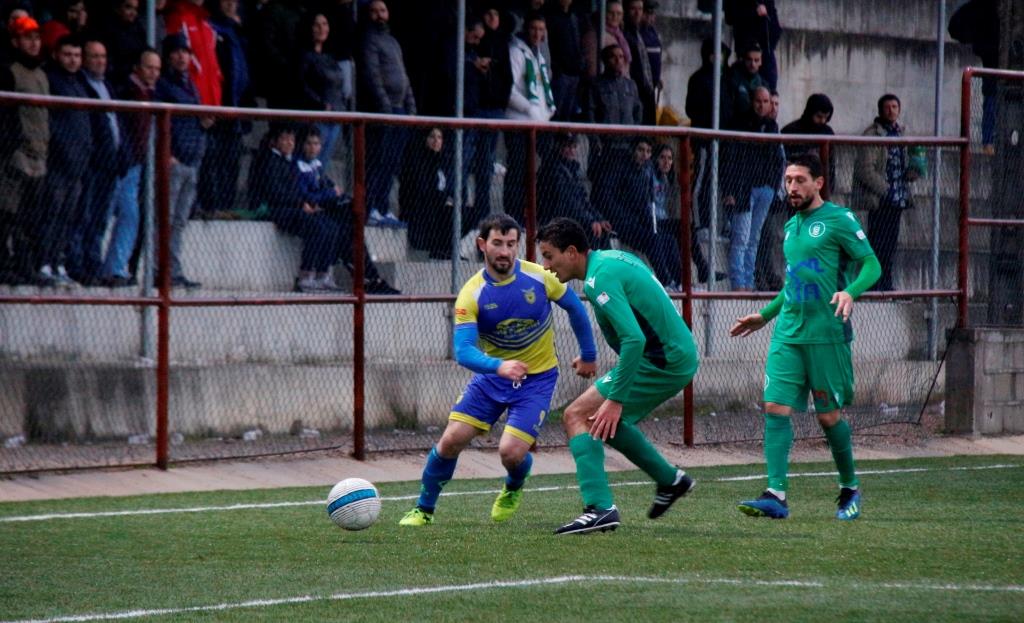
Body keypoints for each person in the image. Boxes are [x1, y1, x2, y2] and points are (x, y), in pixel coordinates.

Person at [399, 214, 598, 526]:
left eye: (511, 244)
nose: (505, 251)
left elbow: (575, 308)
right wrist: (499, 366)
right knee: (451, 440)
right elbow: (463, 351)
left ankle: (514, 483)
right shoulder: (472, 293)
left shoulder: (539, 277)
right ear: (482, 245)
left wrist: (588, 354)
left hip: (538, 380)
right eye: (497, 243)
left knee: (510, 453)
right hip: (492, 379)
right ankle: (423, 510)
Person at [729, 153, 881, 521]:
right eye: (788, 180)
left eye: (799, 180)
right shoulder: (791, 226)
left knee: (829, 417)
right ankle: (776, 495)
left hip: (827, 334)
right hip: (788, 333)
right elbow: (794, 281)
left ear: (818, 183)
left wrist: (850, 292)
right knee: (775, 408)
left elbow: (872, 265)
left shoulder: (839, 220)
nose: (792, 187)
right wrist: (765, 315)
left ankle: (849, 488)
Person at [538, 217, 699, 534]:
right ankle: (671, 481)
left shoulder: (600, 278)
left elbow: (634, 339)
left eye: (549, 256)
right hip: (670, 354)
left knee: (576, 415)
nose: (546, 266)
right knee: (601, 421)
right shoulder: (609, 261)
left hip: (664, 359)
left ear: (572, 252)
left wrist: (615, 398)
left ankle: (599, 507)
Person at [101, 47, 160, 288]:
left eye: (157, 69)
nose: (153, 73)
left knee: (131, 215)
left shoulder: (151, 94)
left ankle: (115, 267)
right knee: (103, 214)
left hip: (135, 165)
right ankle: (95, 265)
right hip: (117, 163)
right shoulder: (126, 90)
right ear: (137, 67)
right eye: (149, 67)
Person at [155, 33, 209, 289]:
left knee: (179, 221)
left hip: (192, 160)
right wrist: (168, 154)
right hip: (174, 160)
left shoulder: (191, 84)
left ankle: (173, 269)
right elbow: (159, 123)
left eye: (185, 52)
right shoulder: (164, 85)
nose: (181, 56)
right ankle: (161, 269)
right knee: (166, 218)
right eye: (176, 52)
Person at [852, 94, 921, 292]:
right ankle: (874, 284)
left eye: (894, 107)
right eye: (887, 107)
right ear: (880, 110)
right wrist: (886, 191)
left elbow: (912, 159)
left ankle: (886, 283)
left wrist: (915, 170)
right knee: (877, 243)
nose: (891, 111)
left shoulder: (902, 133)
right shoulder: (873, 135)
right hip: (880, 199)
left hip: (898, 197)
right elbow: (865, 169)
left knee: (890, 245)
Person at [0, 15, 48, 286]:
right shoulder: (9, 72)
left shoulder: (40, 73)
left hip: (39, 154)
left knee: (32, 216)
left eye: (36, 37)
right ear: (15, 41)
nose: (33, 43)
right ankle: (6, 264)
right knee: (8, 213)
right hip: (15, 155)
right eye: (27, 37)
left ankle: (26, 264)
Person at [358, 0, 414, 229]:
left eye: (382, 10)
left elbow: (403, 75)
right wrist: (384, 105)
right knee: (378, 162)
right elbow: (373, 74)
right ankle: (371, 208)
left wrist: (411, 107)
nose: (379, 15)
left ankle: (382, 208)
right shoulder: (369, 41)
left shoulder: (392, 41)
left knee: (391, 164)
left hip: (399, 110)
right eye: (374, 11)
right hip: (384, 111)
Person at [725, 85, 783, 291]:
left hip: (765, 189)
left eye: (765, 101)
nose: (761, 105)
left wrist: (773, 185)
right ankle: (738, 282)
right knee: (741, 236)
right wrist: (730, 190)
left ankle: (748, 281)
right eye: (758, 101)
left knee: (754, 237)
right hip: (744, 189)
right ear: (751, 102)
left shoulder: (772, 127)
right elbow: (732, 159)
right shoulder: (741, 124)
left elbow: (777, 159)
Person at [504, 11, 554, 225]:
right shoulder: (517, 52)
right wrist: (530, 109)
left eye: (541, 30)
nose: (537, 33)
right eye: (533, 29)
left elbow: (543, 91)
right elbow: (510, 90)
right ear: (526, 28)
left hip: (539, 124)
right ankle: (512, 217)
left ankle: (534, 216)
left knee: (542, 170)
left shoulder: (539, 56)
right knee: (517, 171)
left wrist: (545, 112)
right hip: (519, 123)